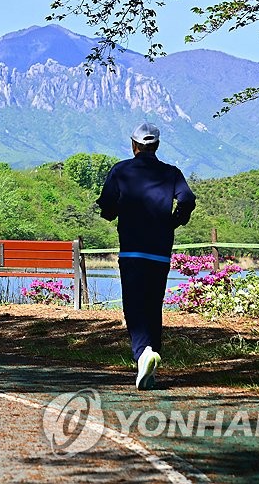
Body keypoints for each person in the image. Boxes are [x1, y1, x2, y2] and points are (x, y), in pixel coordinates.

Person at [96, 122, 196, 389]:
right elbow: (187, 199)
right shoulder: (171, 173)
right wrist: (174, 221)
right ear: (157, 146)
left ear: (134, 145)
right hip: (160, 252)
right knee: (153, 305)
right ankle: (151, 356)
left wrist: (114, 212)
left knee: (133, 305)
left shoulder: (121, 170)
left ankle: (143, 354)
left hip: (132, 250)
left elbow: (106, 206)